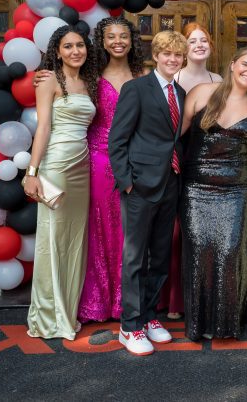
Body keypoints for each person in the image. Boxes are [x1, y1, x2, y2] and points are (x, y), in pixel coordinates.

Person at [178, 46, 247, 341]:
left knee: (229, 252)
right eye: (245, 64)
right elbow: (177, 135)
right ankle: (199, 323)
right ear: (232, 64)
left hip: (236, 188)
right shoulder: (203, 92)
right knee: (199, 250)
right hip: (197, 187)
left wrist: (237, 162)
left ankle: (226, 323)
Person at [108, 30, 188, 356]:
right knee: (135, 257)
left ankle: (149, 315)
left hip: (170, 183)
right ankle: (129, 326)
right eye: (167, 53)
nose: (172, 59)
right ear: (156, 56)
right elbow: (117, 139)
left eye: (178, 55)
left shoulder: (180, 92)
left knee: (161, 256)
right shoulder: (136, 89)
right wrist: (127, 181)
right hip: (140, 185)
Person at [24, 25, 98, 340]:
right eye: (68, 46)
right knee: (52, 240)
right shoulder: (48, 80)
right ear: (57, 51)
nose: (75, 51)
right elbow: (43, 128)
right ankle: (48, 318)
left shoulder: (88, 82)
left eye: (80, 45)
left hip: (82, 168)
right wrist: (32, 172)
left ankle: (66, 311)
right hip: (55, 167)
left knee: (74, 242)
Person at [77, 17, 144, 323]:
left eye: (123, 36)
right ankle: (100, 301)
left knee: (130, 230)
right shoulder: (90, 76)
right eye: (111, 37)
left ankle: (126, 300)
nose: (118, 41)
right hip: (98, 159)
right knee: (101, 227)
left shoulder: (143, 75)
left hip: (135, 161)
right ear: (102, 42)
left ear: (132, 41)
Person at [160, 23, 223, 321]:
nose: (199, 45)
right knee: (175, 232)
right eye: (192, 40)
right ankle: (174, 298)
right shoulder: (174, 77)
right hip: (175, 157)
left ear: (211, 45)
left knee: (202, 233)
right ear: (183, 48)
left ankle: (201, 296)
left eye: (203, 40)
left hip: (205, 161)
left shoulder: (218, 81)